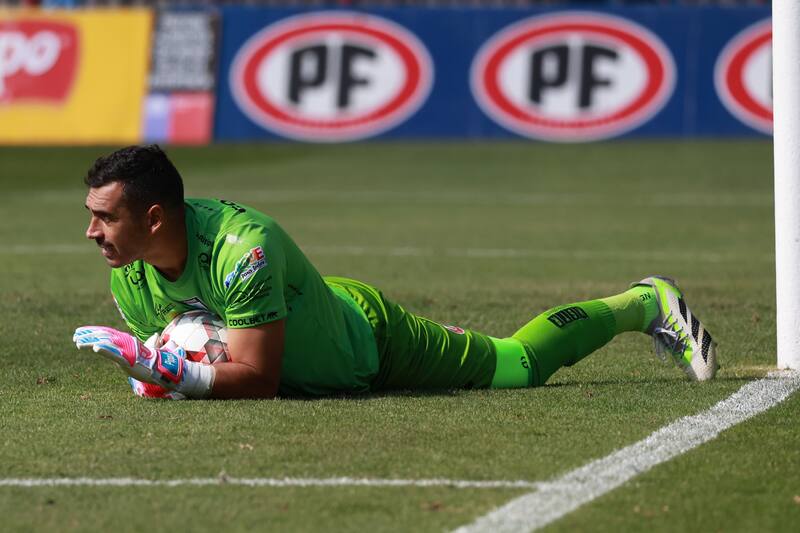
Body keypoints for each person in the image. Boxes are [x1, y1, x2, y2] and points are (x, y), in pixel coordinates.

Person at [73, 145, 718, 400]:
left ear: (154, 218)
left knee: (518, 366)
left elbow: (258, 380)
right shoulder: (129, 272)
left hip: (368, 342)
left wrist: (167, 370)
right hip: (306, 334)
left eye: (105, 217)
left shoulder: (244, 248)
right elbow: (185, 350)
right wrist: (152, 371)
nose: (92, 232)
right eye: (91, 216)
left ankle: (644, 301)